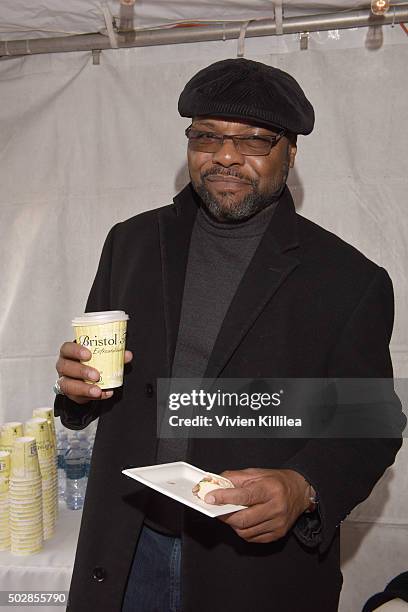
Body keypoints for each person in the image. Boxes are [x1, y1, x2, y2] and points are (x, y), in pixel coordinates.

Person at [54, 59, 405, 612]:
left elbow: (370, 426)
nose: (224, 156)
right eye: (207, 136)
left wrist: (304, 485)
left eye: (253, 142)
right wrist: (76, 392)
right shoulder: (132, 243)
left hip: (252, 575)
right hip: (126, 546)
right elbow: (104, 380)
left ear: (291, 152)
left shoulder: (348, 280)